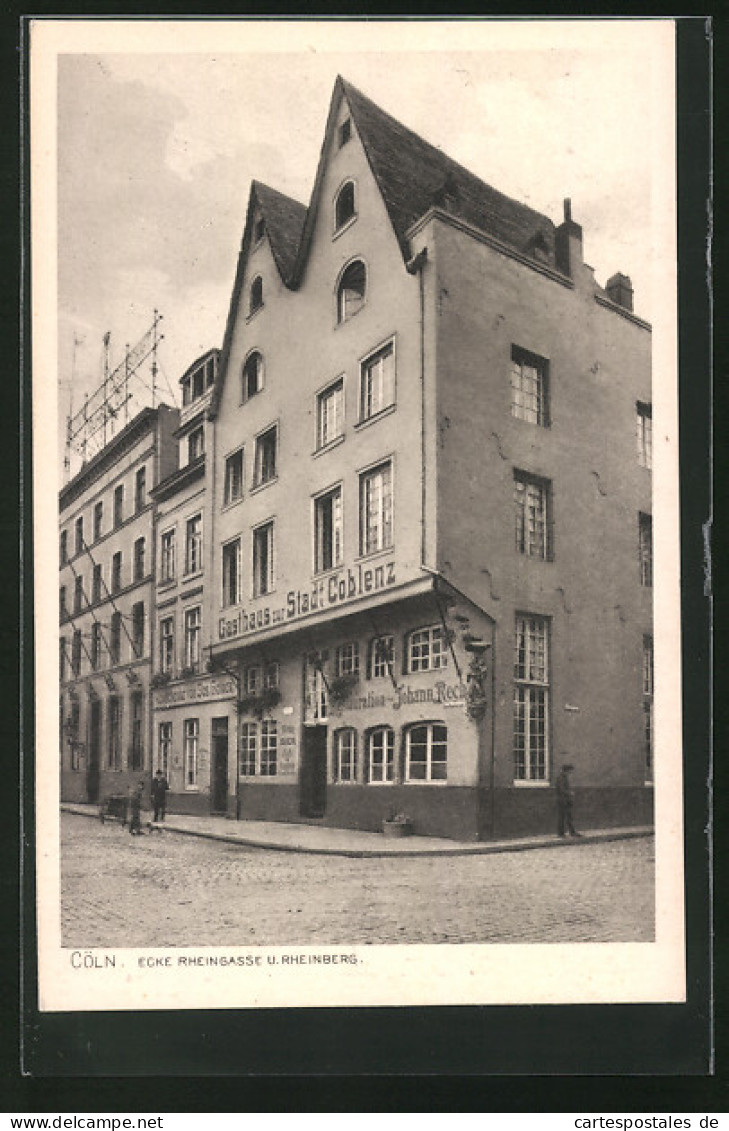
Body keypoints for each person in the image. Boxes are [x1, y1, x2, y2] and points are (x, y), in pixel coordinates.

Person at [556, 763, 581, 838]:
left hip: (566, 800)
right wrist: (569, 793)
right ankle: (561, 833)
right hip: (562, 800)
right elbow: (561, 789)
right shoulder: (560, 778)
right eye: (569, 771)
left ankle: (571, 832)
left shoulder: (564, 778)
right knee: (563, 817)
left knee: (568, 817)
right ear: (565, 771)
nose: (570, 773)